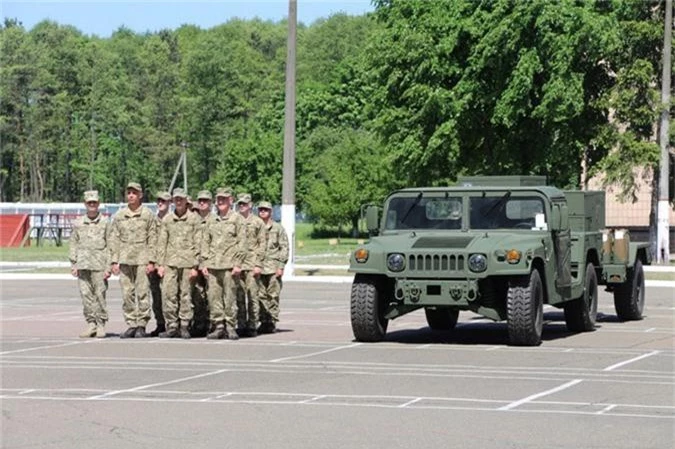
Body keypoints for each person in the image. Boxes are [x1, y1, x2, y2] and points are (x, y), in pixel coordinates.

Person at [110, 182, 158, 338]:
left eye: (134, 193)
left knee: (143, 293)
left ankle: (142, 324)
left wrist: (152, 261)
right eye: (129, 192)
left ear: (140, 195)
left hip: (142, 259)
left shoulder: (147, 215)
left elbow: (153, 238)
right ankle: (131, 323)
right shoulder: (119, 215)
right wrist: (114, 261)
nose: (131, 195)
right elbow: (114, 239)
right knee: (127, 293)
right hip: (125, 259)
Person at [200, 187, 246, 340]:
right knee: (214, 298)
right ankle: (219, 326)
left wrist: (238, 264)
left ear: (230, 200)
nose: (220, 202)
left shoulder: (237, 219)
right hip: (213, 265)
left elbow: (242, 243)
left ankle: (231, 326)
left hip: (229, 266)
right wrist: (204, 263)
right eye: (219, 199)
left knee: (230, 298)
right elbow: (205, 242)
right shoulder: (211, 219)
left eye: (224, 199)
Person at [156, 188, 200, 339]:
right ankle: (172, 326)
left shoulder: (194, 219)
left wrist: (195, 266)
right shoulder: (167, 219)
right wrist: (160, 265)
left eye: (181, 199)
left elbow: (198, 242)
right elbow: (162, 243)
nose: (178, 201)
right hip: (170, 263)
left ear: (186, 200)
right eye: (176, 199)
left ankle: (184, 325)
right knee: (169, 295)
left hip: (187, 263)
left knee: (186, 295)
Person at [69, 190, 111, 338]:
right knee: (86, 295)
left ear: (98, 204)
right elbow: (73, 243)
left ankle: (100, 324)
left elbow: (110, 245)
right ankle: (91, 323)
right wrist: (73, 263)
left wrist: (109, 266)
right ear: (85, 204)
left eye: (94, 203)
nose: (92, 205)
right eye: (89, 203)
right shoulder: (78, 223)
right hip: (83, 264)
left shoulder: (105, 222)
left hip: (99, 265)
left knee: (99, 295)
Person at [235, 193, 266, 337]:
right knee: (239, 297)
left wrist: (258, 264)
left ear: (250, 205)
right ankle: (241, 324)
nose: (242, 206)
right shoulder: (234, 220)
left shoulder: (257, 222)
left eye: (244, 204)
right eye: (240, 204)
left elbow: (262, 244)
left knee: (253, 296)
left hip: (252, 263)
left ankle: (253, 324)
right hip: (238, 263)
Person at [257, 201, 289, 334]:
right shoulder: (255, 226)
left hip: (273, 267)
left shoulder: (278, 228)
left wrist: (281, 266)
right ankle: (263, 321)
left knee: (273, 296)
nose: (263, 212)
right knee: (260, 296)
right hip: (259, 267)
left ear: (270, 212)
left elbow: (284, 248)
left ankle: (272, 321)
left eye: (265, 210)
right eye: (260, 210)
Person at [191, 189, 213, 337]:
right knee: (197, 294)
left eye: (205, 201)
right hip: (194, 262)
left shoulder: (216, 220)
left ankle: (213, 323)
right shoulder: (193, 220)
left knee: (212, 294)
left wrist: (207, 263)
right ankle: (199, 323)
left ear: (210, 203)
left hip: (211, 263)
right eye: (200, 201)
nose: (202, 203)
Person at [149, 191, 171, 336]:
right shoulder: (152, 220)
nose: (160, 203)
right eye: (159, 201)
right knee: (156, 296)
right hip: (154, 262)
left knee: (169, 295)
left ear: (169, 203)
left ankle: (172, 324)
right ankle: (160, 323)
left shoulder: (172, 220)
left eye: (163, 201)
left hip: (169, 263)